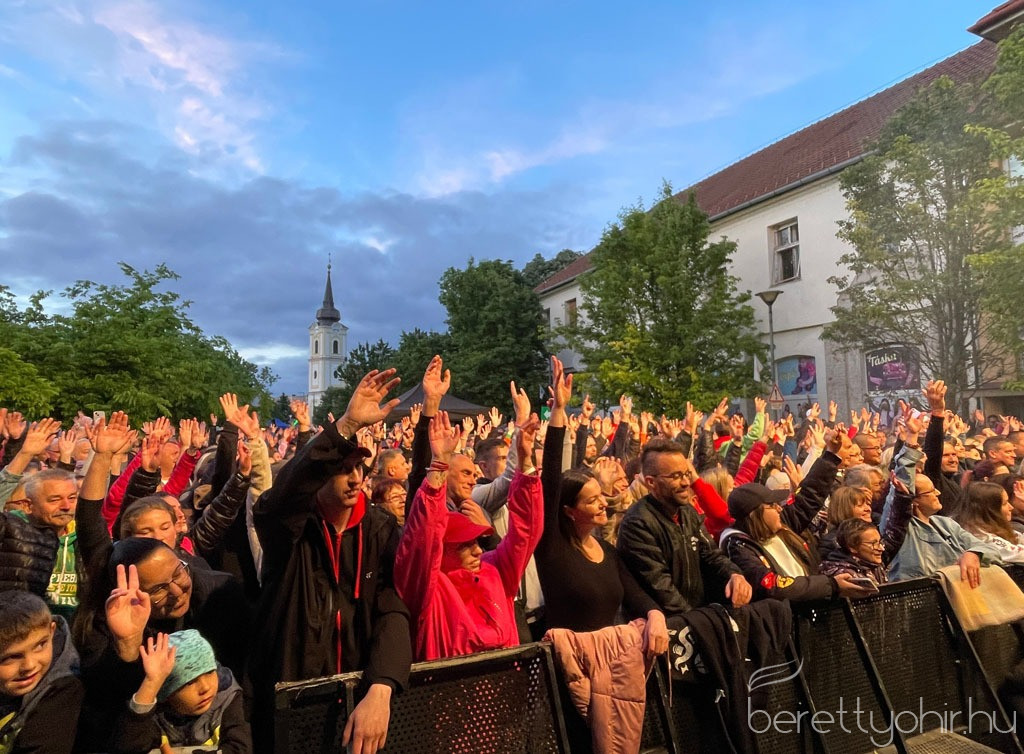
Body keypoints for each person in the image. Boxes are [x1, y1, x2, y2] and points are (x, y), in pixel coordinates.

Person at [249, 369, 411, 754]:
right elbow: (282, 494)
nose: (354, 479)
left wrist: (382, 686)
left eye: (358, 468)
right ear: (318, 476)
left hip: (359, 702)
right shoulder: (289, 528)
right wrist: (347, 425)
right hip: (292, 703)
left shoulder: (380, 528)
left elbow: (391, 607)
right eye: (341, 469)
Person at [533, 357, 669, 651]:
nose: (602, 505)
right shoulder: (552, 546)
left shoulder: (607, 551)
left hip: (610, 658)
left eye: (601, 497)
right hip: (569, 662)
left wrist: (655, 614)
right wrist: (558, 411)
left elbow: (636, 594)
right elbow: (551, 479)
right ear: (569, 511)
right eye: (592, 500)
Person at [395, 412, 542, 660]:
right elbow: (422, 538)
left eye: (476, 542)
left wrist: (526, 464)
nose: (478, 550)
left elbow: (526, 532)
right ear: (441, 552)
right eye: (464, 545)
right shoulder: (430, 589)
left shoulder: (494, 571)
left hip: (508, 683)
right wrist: (438, 466)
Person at [720, 429, 876, 602]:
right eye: (771, 506)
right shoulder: (739, 548)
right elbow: (774, 587)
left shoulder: (781, 523)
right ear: (755, 515)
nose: (779, 509)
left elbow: (809, 496)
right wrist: (830, 585)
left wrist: (831, 456)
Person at [112, 629, 251, 754]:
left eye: (209, 672)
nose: (205, 688)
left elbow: (241, 749)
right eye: (189, 682)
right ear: (166, 693)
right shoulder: (154, 717)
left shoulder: (227, 700)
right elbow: (128, 747)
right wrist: (151, 683)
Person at [0, 590, 82, 754]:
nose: (29, 665)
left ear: (52, 631)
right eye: (12, 657)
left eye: (40, 645)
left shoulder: (62, 692)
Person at [957, 481, 1024, 563]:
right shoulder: (981, 536)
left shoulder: (996, 528)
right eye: (1005, 503)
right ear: (989, 509)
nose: (1011, 507)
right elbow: (1020, 554)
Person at [820, 519, 890, 587]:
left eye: (879, 542)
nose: (882, 548)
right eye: (873, 543)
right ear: (852, 547)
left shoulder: (873, 564)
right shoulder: (844, 575)